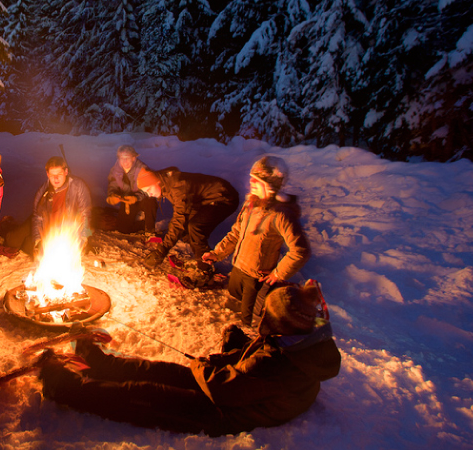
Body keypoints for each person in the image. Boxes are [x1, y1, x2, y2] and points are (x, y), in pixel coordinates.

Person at [36, 282, 341, 436]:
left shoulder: (282, 364)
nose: (262, 318)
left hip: (224, 412)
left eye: (267, 315)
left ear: (279, 323)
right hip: (235, 389)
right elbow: (256, 359)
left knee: (144, 394)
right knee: (159, 370)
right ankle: (101, 364)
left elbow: (226, 390)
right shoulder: (298, 338)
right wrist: (232, 352)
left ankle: (63, 388)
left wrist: (202, 365)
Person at [203, 156, 311, 327]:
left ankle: (255, 328)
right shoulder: (251, 205)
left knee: (250, 319)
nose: (251, 182)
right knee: (233, 296)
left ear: (270, 185)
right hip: (239, 267)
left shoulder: (281, 215)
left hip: (256, 277)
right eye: (251, 178)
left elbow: (300, 250)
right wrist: (217, 254)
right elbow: (236, 233)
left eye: (257, 180)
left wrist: (278, 273)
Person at [136, 167, 239, 268]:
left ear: (156, 182)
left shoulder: (177, 187)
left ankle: (205, 267)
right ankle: (201, 257)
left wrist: (161, 251)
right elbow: (181, 215)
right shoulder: (165, 183)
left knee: (195, 227)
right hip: (203, 199)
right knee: (185, 227)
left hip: (223, 197)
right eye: (146, 192)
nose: (149, 194)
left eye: (149, 189)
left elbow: (179, 220)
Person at [3, 156, 92, 259]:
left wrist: (83, 238)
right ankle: (6, 227)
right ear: (47, 174)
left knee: (46, 253)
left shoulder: (78, 186)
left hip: (62, 228)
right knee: (12, 241)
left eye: (59, 174)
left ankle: (27, 241)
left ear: (66, 172)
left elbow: (85, 213)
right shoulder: (43, 191)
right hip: (43, 222)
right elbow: (37, 217)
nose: (56, 178)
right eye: (52, 175)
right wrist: (38, 240)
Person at [106, 145, 157, 235]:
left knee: (150, 201)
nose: (124, 161)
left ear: (133, 158)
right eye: (122, 158)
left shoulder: (141, 168)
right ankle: (140, 223)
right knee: (123, 229)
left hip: (142, 200)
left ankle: (150, 230)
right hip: (127, 201)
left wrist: (136, 197)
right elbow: (113, 184)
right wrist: (112, 194)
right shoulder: (116, 170)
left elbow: (149, 189)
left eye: (127, 158)